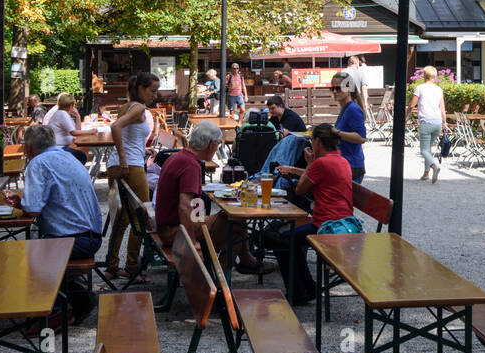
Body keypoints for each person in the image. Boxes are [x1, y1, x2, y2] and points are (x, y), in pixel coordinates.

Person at [7, 124, 104, 325]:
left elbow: (33, 210)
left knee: (24, 254)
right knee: (40, 246)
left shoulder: (38, 163)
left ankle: (55, 314)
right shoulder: (68, 156)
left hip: (75, 239)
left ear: (29, 148)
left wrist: (21, 204)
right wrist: (24, 203)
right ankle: (81, 299)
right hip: (90, 235)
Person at [153, 120, 270, 273]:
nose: (217, 149)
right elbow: (185, 206)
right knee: (236, 225)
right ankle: (219, 278)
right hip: (174, 232)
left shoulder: (180, 157)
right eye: (218, 144)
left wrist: (203, 220)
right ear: (211, 145)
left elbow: (191, 204)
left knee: (235, 222)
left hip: (168, 226)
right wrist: (192, 241)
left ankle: (241, 263)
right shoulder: (191, 165)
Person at [260, 123, 354, 303]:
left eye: (312, 140)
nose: (311, 144)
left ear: (318, 141)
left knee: (276, 238)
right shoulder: (341, 160)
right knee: (288, 239)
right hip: (342, 220)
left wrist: (310, 163)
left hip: (326, 225)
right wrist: (295, 169)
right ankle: (307, 288)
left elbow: (300, 189)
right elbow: (319, 175)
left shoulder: (320, 163)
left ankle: (301, 291)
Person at [104, 72, 158, 282]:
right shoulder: (139, 108)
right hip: (131, 166)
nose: (155, 95)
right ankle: (132, 266)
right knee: (144, 215)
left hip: (114, 165)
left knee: (121, 217)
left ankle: (112, 265)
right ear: (141, 89)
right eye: (152, 91)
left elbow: (128, 135)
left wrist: (130, 154)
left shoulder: (126, 106)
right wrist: (125, 158)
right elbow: (115, 127)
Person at [410, 65, 446, 183]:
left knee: (424, 150)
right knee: (428, 149)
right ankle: (426, 174)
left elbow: (411, 105)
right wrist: (444, 122)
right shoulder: (438, 89)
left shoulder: (420, 88)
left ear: (424, 75)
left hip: (426, 121)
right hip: (437, 122)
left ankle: (434, 167)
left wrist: (405, 117)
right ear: (434, 76)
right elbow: (442, 108)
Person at [331, 72, 368, 183]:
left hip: (352, 166)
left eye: (338, 88)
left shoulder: (353, 109)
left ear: (349, 89)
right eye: (332, 88)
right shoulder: (346, 108)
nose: (334, 91)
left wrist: (337, 132)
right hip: (346, 164)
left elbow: (361, 138)